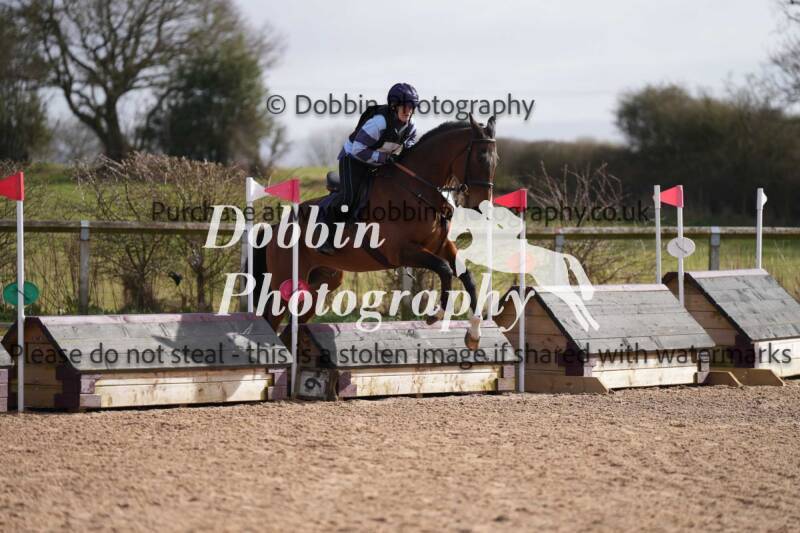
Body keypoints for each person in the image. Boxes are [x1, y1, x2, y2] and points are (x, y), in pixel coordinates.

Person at [317, 83, 419, 255]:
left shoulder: (411, 126)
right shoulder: (379, 123)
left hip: (377, 162)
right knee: (350, 198)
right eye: (405, 106)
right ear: (394, 106)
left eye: (411, 106)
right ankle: (324, 227)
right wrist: (385, 158)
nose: (408, 110)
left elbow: (410, 147)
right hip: (353, 159)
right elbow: (358, 149)